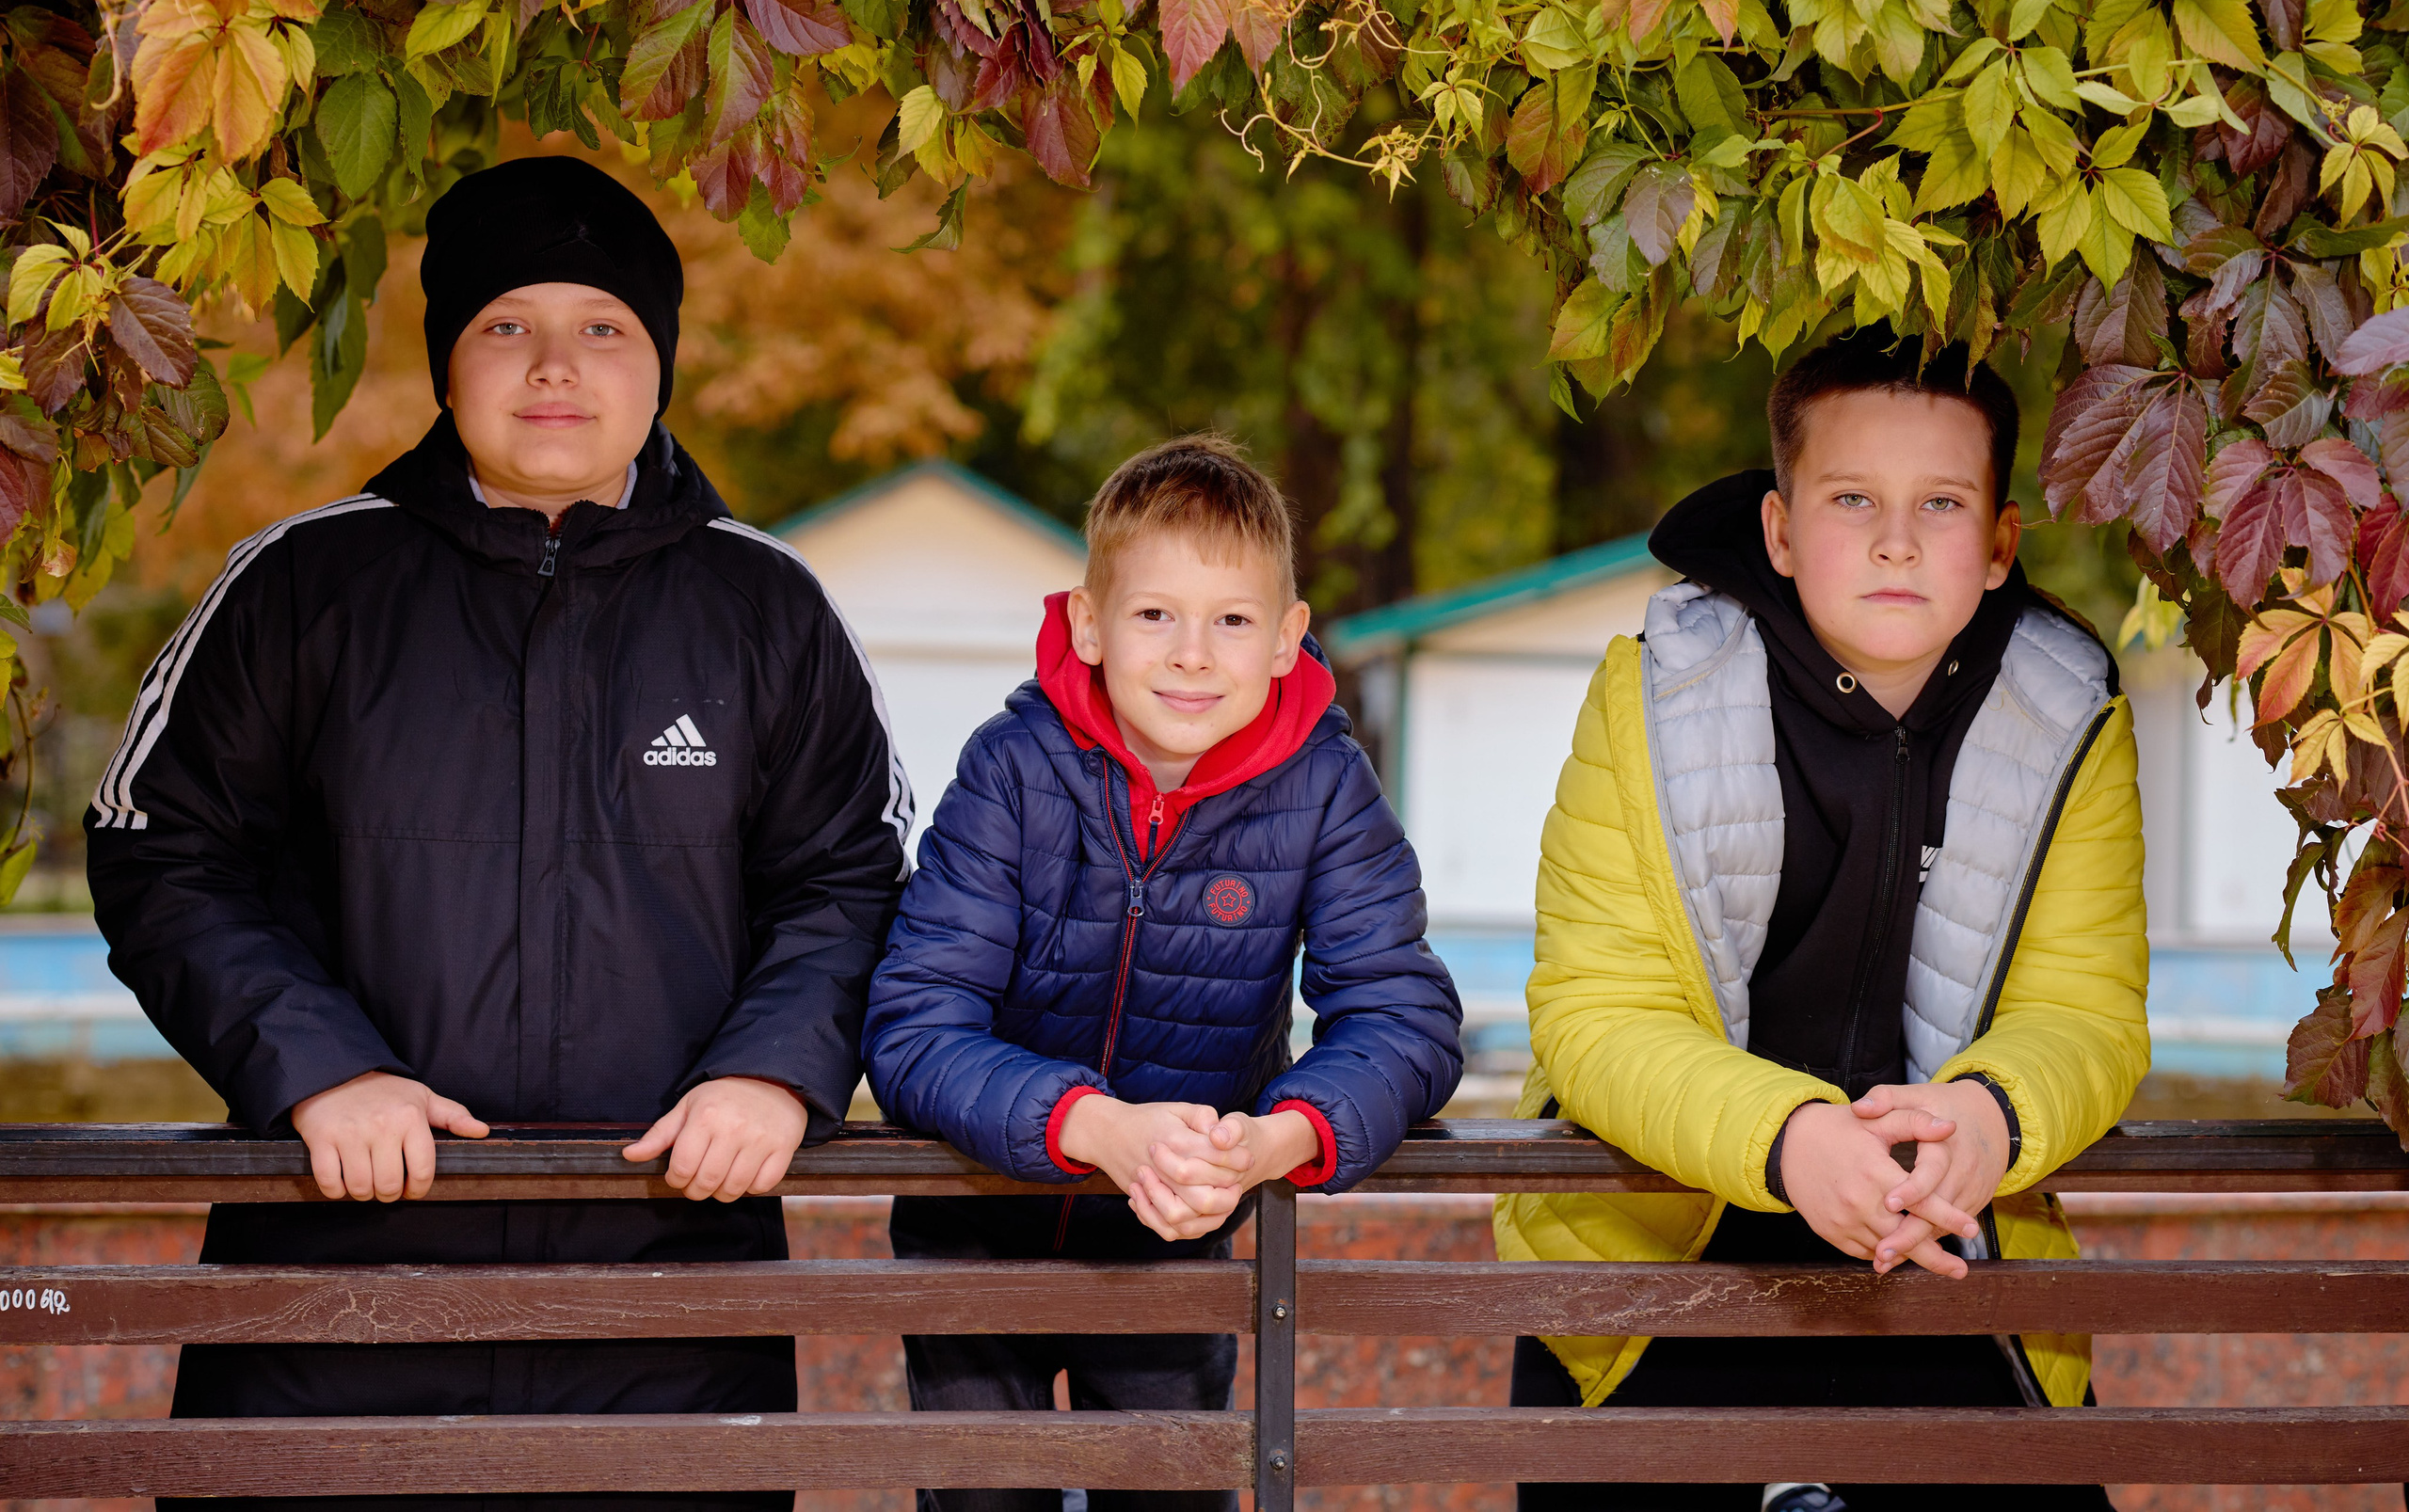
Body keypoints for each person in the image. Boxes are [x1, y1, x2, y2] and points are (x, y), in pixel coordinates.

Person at [86, 155, 912, 1511]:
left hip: (668, 1306)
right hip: (332, 1299)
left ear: (659, 368)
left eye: (603, 328)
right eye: (505, 325)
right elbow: (159, 848)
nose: (554, 366)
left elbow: (851, 877)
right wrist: (317, 1069)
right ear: (447, 364)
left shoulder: (768, 608)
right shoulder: (303, 585)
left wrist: (773, 1071)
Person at [1492, 333, 2149, 1512]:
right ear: (1781, 532)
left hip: (1943, 1229)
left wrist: (1988, 1116)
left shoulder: (2068, 715)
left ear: (1999, 544)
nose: (1896, 540)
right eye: (1852, 499)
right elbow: (1594, 1014)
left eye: (1940, 503)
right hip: (1664, 1253)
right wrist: (1790, 1139)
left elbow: (2083, 1010)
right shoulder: (1654, 694)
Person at [863, 435, 1462, 1512]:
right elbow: (915, 1026)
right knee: (982, 1504)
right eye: (1154, 615)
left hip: (1176, 1234)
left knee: (1172, 1495)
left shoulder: (1323, 788)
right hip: (973, 1227)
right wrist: (1095, 1127)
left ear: (1286, 641)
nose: (1193, 654)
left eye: (1231, 621)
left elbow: (1401, 1015)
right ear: (1089, 624)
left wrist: (1276, 1140)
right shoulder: (1012, 769)